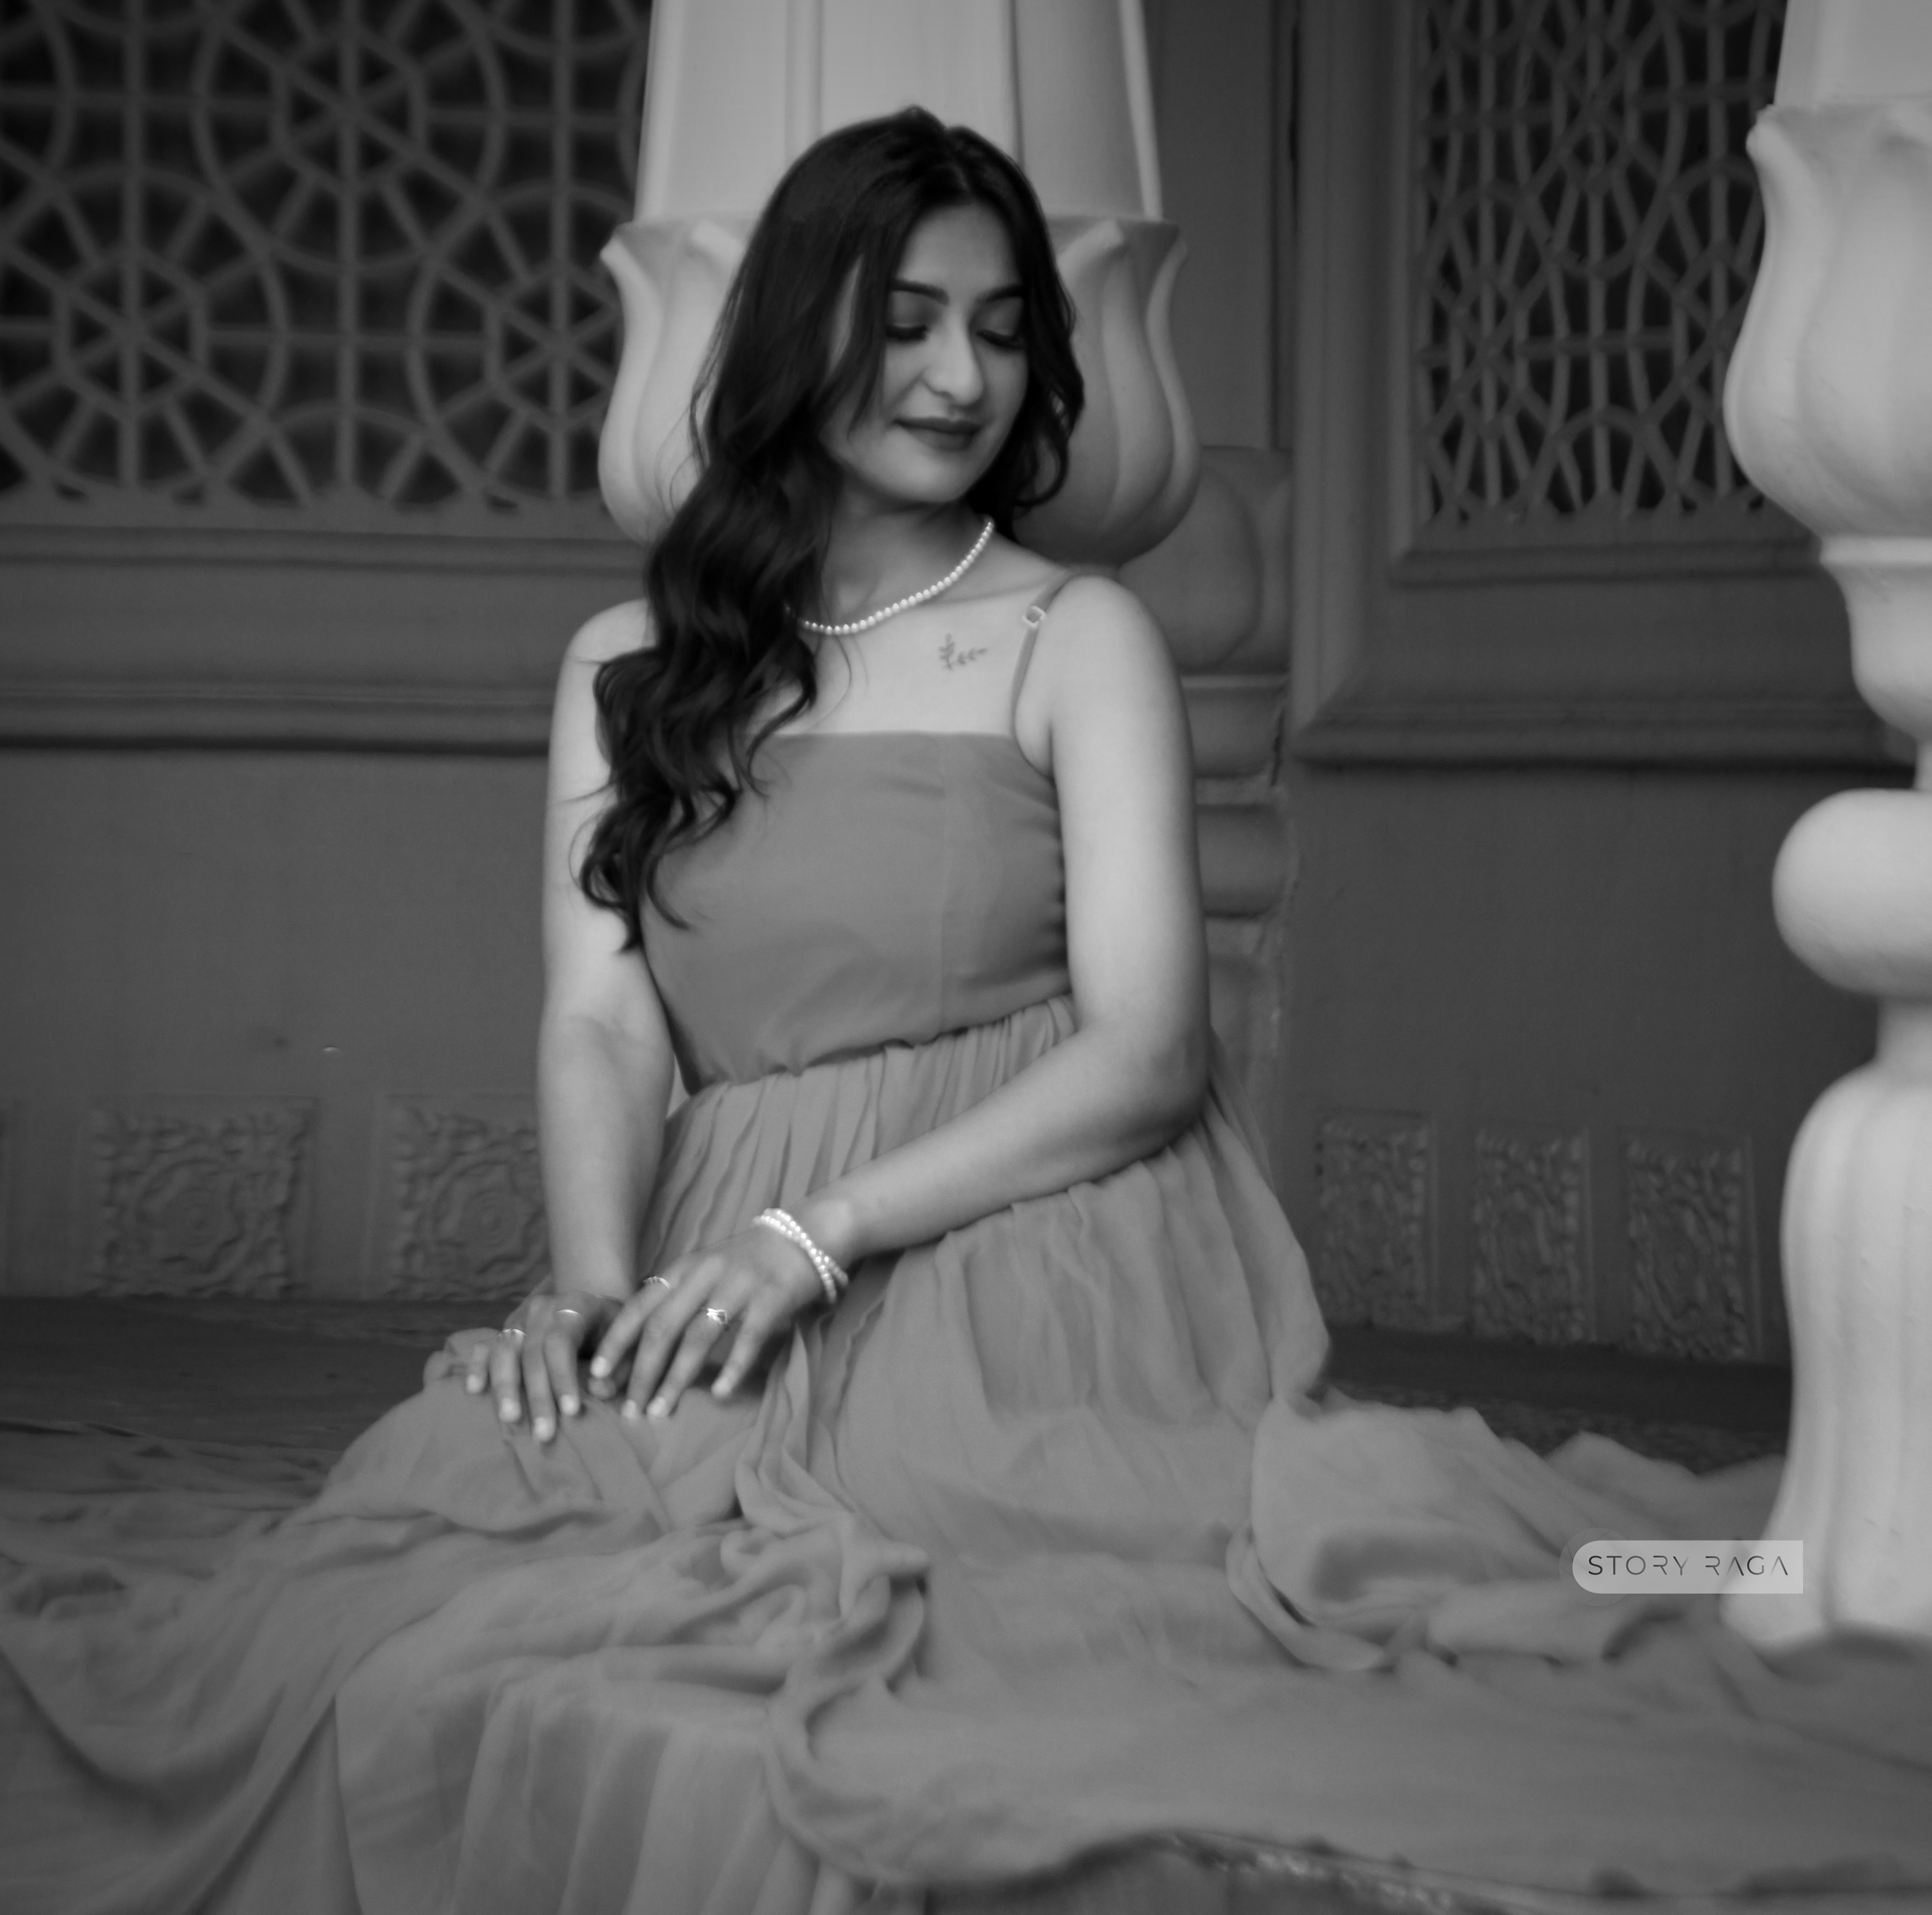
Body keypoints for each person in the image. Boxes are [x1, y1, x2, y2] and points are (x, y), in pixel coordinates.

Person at [3, 109, 1930, 1915]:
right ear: (799, 333)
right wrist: (592, 1290)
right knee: (413, 1590)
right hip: (710, 1248)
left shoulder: (1071, 636)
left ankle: (1765, 1552)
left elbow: (1150, 1052)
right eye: (908, 320)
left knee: (1161, 1598)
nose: (960, 376)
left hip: (1023, 1240)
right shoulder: (629, 665)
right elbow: (602, 1024)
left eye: (1003, 332)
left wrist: (818, 1234)